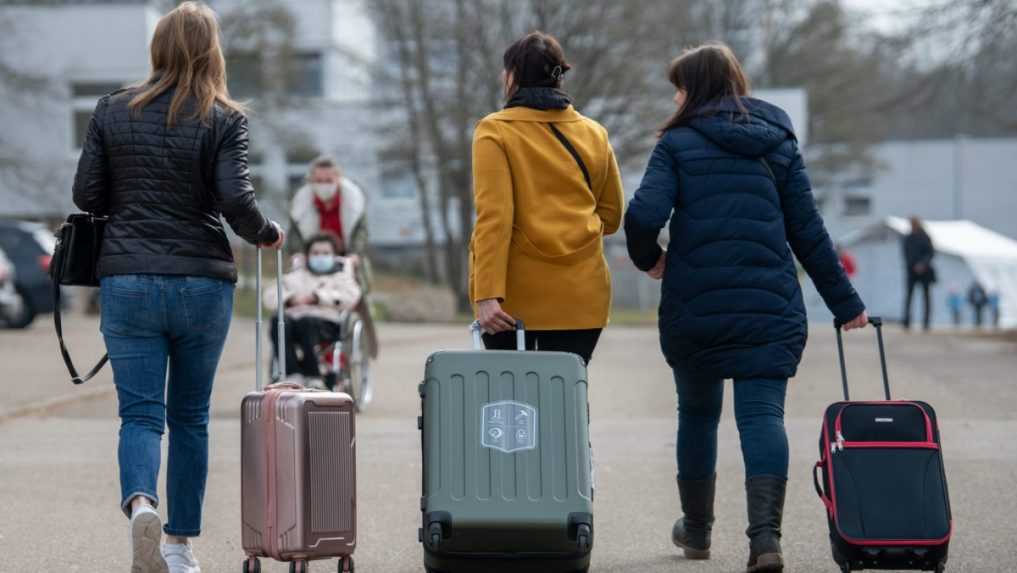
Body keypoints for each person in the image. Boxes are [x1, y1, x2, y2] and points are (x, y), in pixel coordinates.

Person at [624, 44, 867, 573]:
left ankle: (698, 532)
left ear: (695, 89)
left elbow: (642, 214)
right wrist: (845, 304)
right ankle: (765, 541)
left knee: (698, 415)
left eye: (679, 86)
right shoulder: (777, 143)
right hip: (768, 304)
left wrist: (651, 259)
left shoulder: (678, 143)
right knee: (762, 416)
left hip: (697, 303)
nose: (675, 97)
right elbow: (809, 231)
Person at [71, 3, 284, 572]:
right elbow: (237, 200)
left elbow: (87, 195)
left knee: (140, 415)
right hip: (201, 284)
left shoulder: (111, 110)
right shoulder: (224, 117)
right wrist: (267, 233)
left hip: (129, 280)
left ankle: (142, 503)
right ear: (212, 50)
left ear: (157, 48)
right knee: (190, 416)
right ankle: (178, 546)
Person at [470, 31, 625, 364]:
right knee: (566, 401)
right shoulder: (594, 133)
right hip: (582, 296)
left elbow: (494, 218)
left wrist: (485, 294)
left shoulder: (495, 131)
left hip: (511, 302)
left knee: (513, 405)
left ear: (512, 76)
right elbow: (611, 216)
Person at [263, 233, 362, 389]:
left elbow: (352, 296)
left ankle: (313, 375)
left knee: (307, 323)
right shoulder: (295, 277)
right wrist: (290, 299)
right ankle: (292, 374)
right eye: (315, 253)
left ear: (334, 256)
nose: (320, 257)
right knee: (278, 321)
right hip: (293, 321)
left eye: (326, 253)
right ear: (307, 256)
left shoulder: (341, 278)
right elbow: (269, 296)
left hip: (326, 323)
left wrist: (317, 297)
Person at [289, 155, 369, 258]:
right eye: (319, 181)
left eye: (328, 180)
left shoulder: (355, 203)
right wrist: (298, 253)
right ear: (311, 179)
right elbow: (294, 235)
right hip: (312, 260)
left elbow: (361, 232)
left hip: (348, 259)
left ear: (338, 178)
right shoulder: (299, 204)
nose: (323, 185)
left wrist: (355, 254)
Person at [903, 216, 936, 331]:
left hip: (925, 272)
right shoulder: (908, 238)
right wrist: (913, 266)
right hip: (911, 272)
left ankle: (926, 323)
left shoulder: (925, 237)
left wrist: (922, 264)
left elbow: (930, 253)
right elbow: (906, 254)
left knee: (926, 297)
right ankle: (906, 321)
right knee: (909, 297)